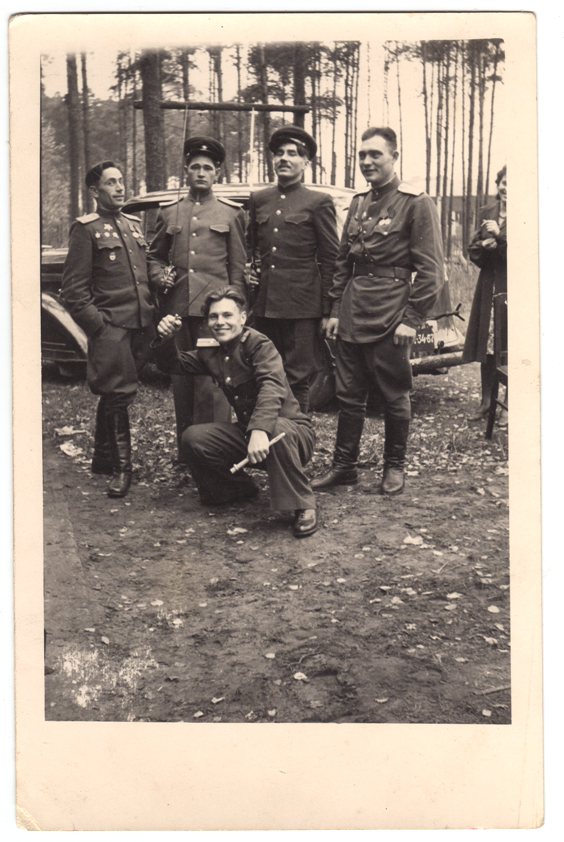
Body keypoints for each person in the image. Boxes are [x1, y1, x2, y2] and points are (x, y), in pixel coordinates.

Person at [312, 126, 444, 496]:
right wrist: (334, 310)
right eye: (362, 155)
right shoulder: (357, 203)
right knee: (349, 394)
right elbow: (343, 263)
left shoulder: (415, 202)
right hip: (353, 311)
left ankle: (394, 466)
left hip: (391, 314)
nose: (367, 161)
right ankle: (344, 467)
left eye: (376, 155)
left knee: (394, 393)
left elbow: (432, 272)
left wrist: (411, 320)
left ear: (394, 157)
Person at [154, 288, 318, 538]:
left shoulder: (259, 345)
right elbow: (173, 365)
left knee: (276, 428)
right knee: (194, 438)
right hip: (251, 435)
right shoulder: (212, 351)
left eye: (227, 315)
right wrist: (166, 338)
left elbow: (272, 387)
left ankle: (303, 505)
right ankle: (235, 488)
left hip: (291, 435)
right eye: (213, 317)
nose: (220, 322)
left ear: (243, 318)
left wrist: (260, 429)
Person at [147, 136, 248, 455]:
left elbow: (238, 267)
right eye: (195, 167)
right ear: (186, 170)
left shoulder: (231, 213)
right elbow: (154, 256)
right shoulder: (170, 212)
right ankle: (187, 452)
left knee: (214, 384)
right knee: (182, 381)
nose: (201, 172)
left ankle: (213, 453)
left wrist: (234, 313)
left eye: (207, 168)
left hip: (215, 316)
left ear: (217, 172)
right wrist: (159, 276)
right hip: (177, 310)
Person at [61, 160, 156, 498]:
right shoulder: (85, 229)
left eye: (121, 181)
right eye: (111, 182)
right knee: (118, 393)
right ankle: (121, 468)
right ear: (94, 191)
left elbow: (144, 271)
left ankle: (102, 458)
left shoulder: (133, 225)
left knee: (116, 391)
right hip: (112, 326)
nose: (119, 187)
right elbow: (73, 292)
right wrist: (100, 327)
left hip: (140, 324)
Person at [247, 126, 340, 413]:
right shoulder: (259, 199)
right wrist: (250, 272)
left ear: (305, 162)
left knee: (298, 377)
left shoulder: (318, 202)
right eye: (279, 153)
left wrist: (329, 310)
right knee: (265, 372)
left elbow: (331, 259)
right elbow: (252, 247)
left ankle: (296, 433)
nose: (284, 158)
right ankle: (265, 431)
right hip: (265, 306)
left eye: (292, 153)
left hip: (302, 307)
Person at [462, 165, 508, 424]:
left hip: (512, 287)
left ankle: (508, 406)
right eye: (503, 182)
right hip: (489, 284)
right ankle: (486, 402)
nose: (506, 188)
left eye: (512, 184)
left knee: (509, 345)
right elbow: (472, 249)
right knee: (487, 346)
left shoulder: (529, 213)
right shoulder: (487, 212)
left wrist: (500, 238)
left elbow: (527, 256)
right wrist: (484, 245)